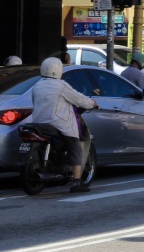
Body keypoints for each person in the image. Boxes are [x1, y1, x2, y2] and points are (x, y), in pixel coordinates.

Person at [29, 57, 98, 193]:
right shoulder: (61, 86)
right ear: (59, 70)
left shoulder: (37, 86)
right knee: (75, 145)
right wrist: (93, 103)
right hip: (57, 123)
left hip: (38, 122)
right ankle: (77, 182)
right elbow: (79, 99)